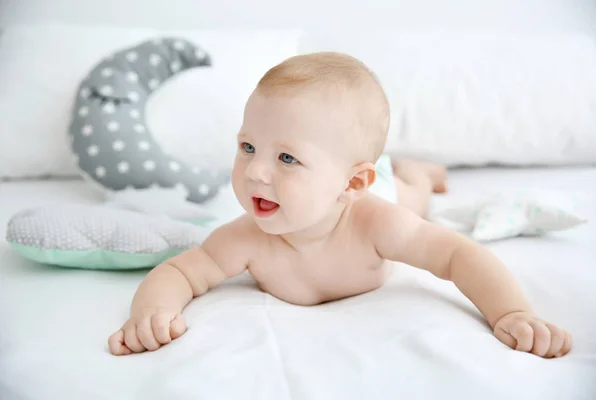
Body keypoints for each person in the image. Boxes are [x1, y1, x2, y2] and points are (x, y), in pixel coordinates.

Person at [108, 52, 572, 358]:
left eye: (286, 158)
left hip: (385, 190)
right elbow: (180, 272)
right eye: (248, 147)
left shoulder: (378, 223)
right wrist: (151, 313)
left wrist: (510, 311)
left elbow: (457, 255)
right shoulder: (245, 237)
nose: (255, 173)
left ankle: (420, 173)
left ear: (352, 183)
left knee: (412, 195)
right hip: (355, 179)